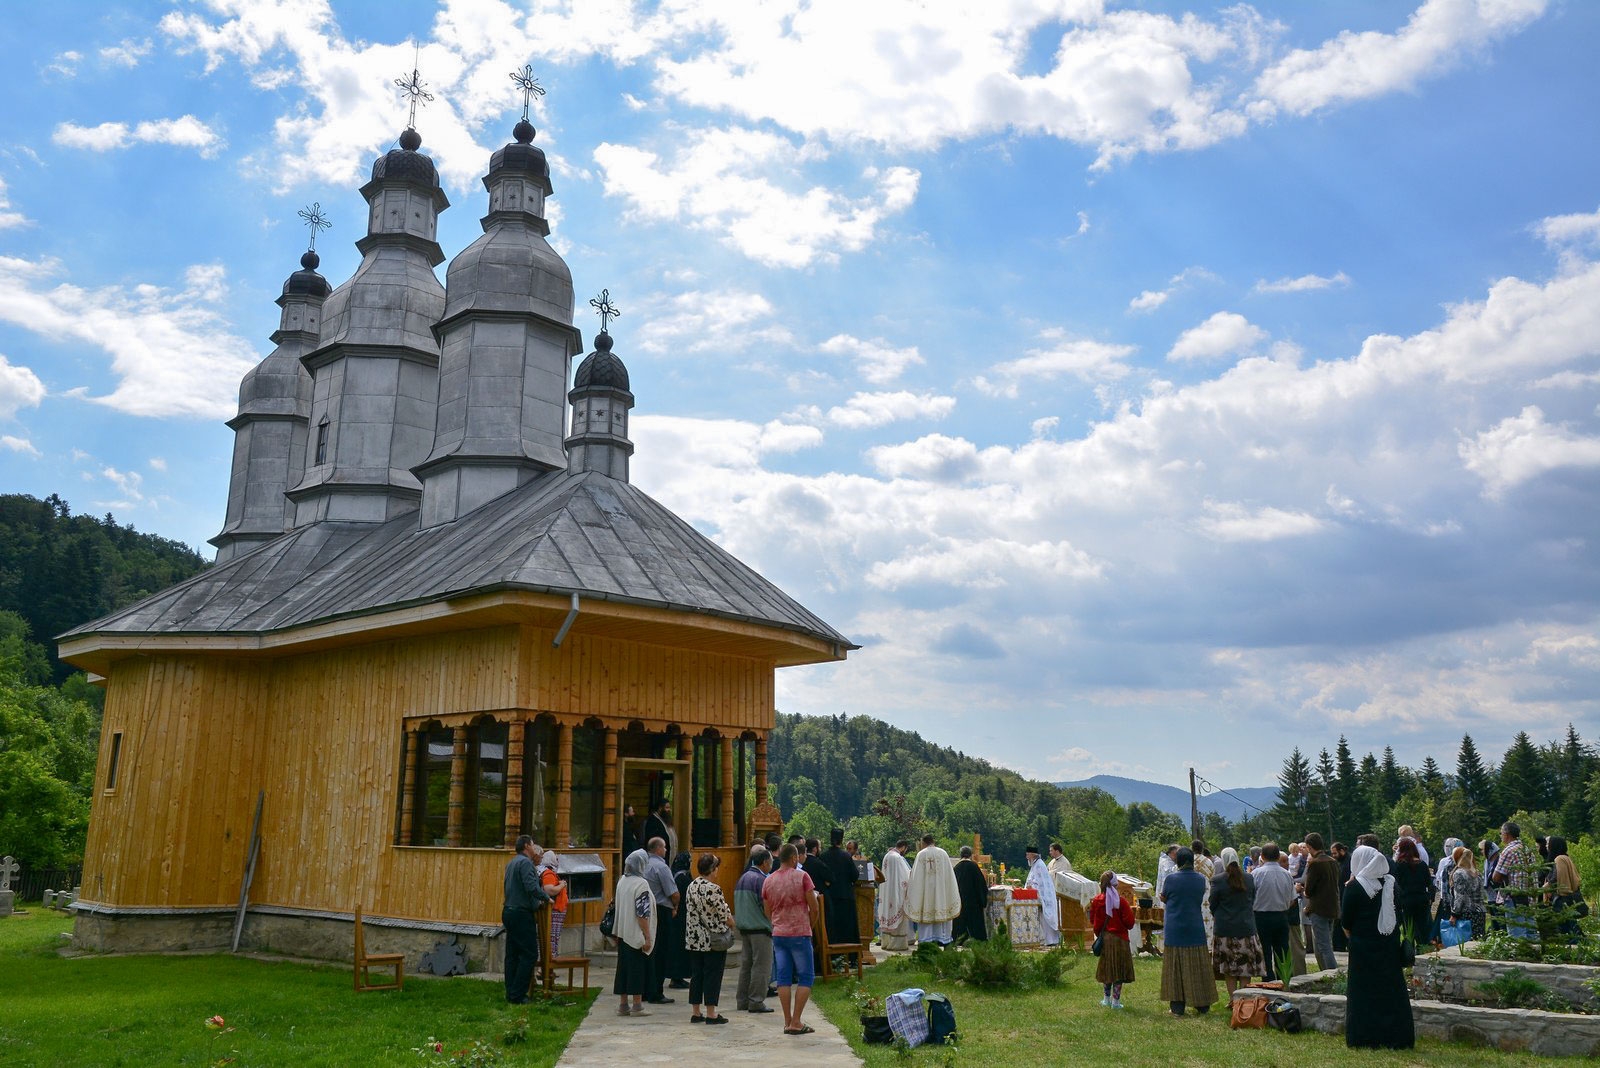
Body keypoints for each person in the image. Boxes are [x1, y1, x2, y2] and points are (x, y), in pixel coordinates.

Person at [1343, 844, 1414, 1049]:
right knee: (1391, 991)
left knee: (1363, 992)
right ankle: (1396, 1036)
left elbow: (1346, 921)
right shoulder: (1392, 884)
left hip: (1362, 946)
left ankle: (1365, 1037)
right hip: (1389, 945)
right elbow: (1399, 914)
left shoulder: (1355, 887)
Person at [762, 843, 817, 1036]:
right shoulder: (802, 876)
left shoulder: (768, 880)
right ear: (794, 858)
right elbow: (814, 906)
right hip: (800, 932)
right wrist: (810, 925)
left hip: (779, 933)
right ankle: (796, 1020)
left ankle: (787, 1021)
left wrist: (776, 923)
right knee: (806, 976)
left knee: (783, 978)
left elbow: (767, 909)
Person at [1159, 847, 1216, 1016]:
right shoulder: (1200, 879)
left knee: (1175, 968)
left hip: (1175, 927)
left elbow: (1164, 896)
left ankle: (1177, 1007)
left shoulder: (1171, 879)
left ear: (1178, 861)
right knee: (1197, 966)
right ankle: (1202, 1004)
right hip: (1194, 926)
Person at [684, 852, 736, 1024]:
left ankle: (696, 1012)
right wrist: (731, 923)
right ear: (712, 869)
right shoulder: (714, 889)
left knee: (696, 975)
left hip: (694, 938)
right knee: (713, 974)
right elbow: (724, 915)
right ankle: (712, 1012)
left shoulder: (691, 886)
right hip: (712, 940)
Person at [501, 834, 551, 1004]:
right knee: (529, 954)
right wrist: (545, 898)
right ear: (527, 846)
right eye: (532, 843)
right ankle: (518, 994)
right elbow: (531, 887)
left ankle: (511, 993)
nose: (534, 846)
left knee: (512, 955)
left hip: (509, 910)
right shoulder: (525, 863)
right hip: (521, 913)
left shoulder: (512, 863)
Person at [1209, 846, 1263, 996]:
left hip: (1225, 928)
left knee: (1228, 968)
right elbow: (1252, 899)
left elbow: (1212, 904)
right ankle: (1243, 999)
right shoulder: (1248, 878)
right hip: (1246, 927)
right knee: (1245, 967)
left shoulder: (1218, 880)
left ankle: (1234, 999)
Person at [613, 849, 656, 1018]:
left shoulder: (622, 881)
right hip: (635, 933)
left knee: (623, 968)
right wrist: (647, 936)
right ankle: (637, 1005)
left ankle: (623, 1004)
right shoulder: (641, 884)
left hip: (623, 932)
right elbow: (642, 913)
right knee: (637, 969)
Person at [734, 845, 775, 1014]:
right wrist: (773, 922)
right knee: (762, 967)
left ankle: (742, 1001)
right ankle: (756, 1001)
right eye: (770, 863)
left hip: (745, 928)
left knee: (746, 966)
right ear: (765, 862)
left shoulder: (742, 878)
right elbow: (766, 906)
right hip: (760, 929)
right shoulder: (761, 880)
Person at [1091, 870, 1136, 1008]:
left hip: (1106, 939)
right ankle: (1116, 1001)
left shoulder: (1097, 901)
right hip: (1120, 939)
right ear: (1115, 884)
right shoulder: (1121, 902)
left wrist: (1101, 934)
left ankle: (1106, 999)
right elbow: (1129, 923)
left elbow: (1095, 922)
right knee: (1119, 970)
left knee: (1107, 969)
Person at [643, 837, 680, 1003]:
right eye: (664, 847)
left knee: (648, 951)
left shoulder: (643, 865)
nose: (666, 850)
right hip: (661, 910)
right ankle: (656, 991)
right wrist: (675, 906)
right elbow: (673, 893)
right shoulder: (661, 867)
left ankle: (643, 989)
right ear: (658, 849)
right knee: (661, 951)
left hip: (644, 910)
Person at [1251, 842, 1295, 982]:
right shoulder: (1286, 875)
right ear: (1278, 857)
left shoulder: (1256, 874)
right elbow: (1292, 899)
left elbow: (1250, 896)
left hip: (1261, 916)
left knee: (1265, 952)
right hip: (1281, 915)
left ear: (1262, 856)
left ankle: (1268, 981)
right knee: (1282, 951)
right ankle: (1285, 979)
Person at [907, 834, 960, 945]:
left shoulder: (921, 855)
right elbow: (949, 876)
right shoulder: (943, 853)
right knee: (942, 917)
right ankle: (943, 940)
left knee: (926, 916)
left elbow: (915, 877)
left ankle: (926, 942)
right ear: (933, 841)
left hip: (926, 894)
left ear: (923, 842)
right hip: (941, 894)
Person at [1298, 832, 1340, 971]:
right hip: (1332, 906)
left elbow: (1309, 891)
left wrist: (1301, 890)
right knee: (1325, 945)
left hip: (1319, 908)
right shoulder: (1332, 861)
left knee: (1324, 946)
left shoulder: (1315, 863)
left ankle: (1333, 974)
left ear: (1309, 846)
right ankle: (1325, 972)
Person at [1491, 821, 1536, 937]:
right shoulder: (1527, 850)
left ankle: (1519, 955)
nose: (1500, 835)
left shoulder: (1508, 851)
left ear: (1507, 834)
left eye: (1501, 833)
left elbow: (1496, 876)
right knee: (1531, 933)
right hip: (1530, 896)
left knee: (1517, 934)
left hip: (1513, 898)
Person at [1392, 837, 1434, 945]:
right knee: (1422, 928)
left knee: (1408, 929)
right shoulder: (1422, 864)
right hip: (1421, 899)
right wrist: (1430, 898)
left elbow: (1396, 884)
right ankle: (1423, 949)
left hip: (1406, 900)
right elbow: (1429, 883)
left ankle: (1409, 952)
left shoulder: (1400, 865)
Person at [821, 828, 859, 944]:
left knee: (833, 928)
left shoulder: (824, 856)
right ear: (841, 841)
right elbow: (855, 876)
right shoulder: (846, 856)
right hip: (846, 897)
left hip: (830, 897)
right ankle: (850, 955)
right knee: (847, 928)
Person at [1546, 836, 1585, 939]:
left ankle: (1576, 940)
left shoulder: (1559, 859)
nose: (1546, 846)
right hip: (1566, 895)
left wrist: (1547, 886)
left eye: (1548, 844)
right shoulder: (1565, 857)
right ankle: (1576, 939)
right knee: (1569, 921)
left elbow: (1557, 875)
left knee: (1566, 921)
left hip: (1561, 895)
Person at [1023, 845, 1061, 947]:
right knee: (1042, 917)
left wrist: (1033, 887)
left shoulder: (1039, 865)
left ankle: (1052, 940)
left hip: (1044, 896)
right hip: (1038, 895)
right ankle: (1047, 939)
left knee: (1046, 917)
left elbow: (1042, 882)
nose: (1026, 855)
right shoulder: (1035, 865)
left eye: (1027, 853)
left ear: (1032, 854)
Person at [877, 841, 912, 950]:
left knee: (888, 912)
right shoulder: (898, 858)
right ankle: (897, 944)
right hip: (897, 893)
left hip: (887, 893)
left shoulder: (887, 856)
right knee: (899, 913)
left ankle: (886, 942)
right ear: (904, 847)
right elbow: (906, 875)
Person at [666, 851, 694, 989]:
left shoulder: (674, 875)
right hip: (681, 916)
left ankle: (677, 976)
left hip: (677, 917)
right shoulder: (682, 878)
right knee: (679, 948)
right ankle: (677, 977)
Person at [1449, 844, 1487, 940]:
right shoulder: (1478, 874)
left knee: (1465, 942)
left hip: (1466, 913)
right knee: (1478, 942)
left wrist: (1454, 914)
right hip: (1480, 912)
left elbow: (1460, 896)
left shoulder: (1459, 874)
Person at [953, 844, 989, 942]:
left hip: (959, 903)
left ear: (960, 855)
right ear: (970, 855)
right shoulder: (974, 867)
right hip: (974, 903)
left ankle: (960, 940)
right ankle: (978, 940)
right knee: (975, 924)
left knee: (960, 923)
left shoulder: (956, 868)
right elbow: (981, 885)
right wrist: (983, 901)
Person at [538, 848, 569, 962]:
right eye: (555, 858)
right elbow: (549, 890)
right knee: (552, 937)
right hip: (554, 910)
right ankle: (548, 963)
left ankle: (550, 961)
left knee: (554, 936)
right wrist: (562, 885)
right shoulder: (548, 873)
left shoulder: (550, 873)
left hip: (557, 910)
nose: (557, 860)